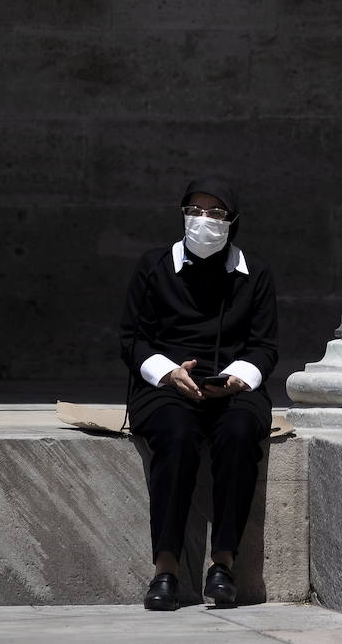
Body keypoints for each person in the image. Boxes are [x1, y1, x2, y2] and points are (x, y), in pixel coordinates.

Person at [118, 176, 278, 611]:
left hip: (229, 386)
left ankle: (222, 564)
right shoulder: (153, 267)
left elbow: (264, 345)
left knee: (242, 431)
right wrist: (169, 373)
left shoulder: (255, 273)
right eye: (194, 210)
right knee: (176, 434)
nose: (202, 220)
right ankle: (166, 569)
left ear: (232, 222)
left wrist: (242, 377)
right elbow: (132, 339)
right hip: (169, 387)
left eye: (214, 213)